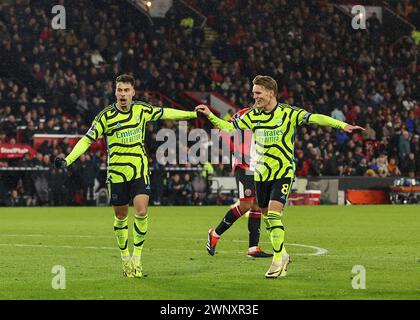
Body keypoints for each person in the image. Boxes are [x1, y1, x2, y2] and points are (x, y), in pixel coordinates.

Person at [196, 75, 364, 278]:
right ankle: (282, 253)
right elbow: (229, 128)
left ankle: (277, 261)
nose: (254, 96)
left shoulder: (287, 113)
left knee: (274, 215)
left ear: (270, 93)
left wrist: (341, 125)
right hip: (261, 174)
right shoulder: (252, 115)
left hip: (283, 171)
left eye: (258, 93)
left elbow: (314, 117)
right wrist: (210, 116)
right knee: (267, 217)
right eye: (253, 93)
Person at [54, 74, 197, 278]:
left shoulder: (141, 110)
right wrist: (68, 159)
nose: (122, 94)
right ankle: (125, 258)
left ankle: (137, 259)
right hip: (117, 173)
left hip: (139, 170)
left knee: (141, 211)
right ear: (115, 92)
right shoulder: (105, 117)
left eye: (126, 90)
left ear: (133, 93)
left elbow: (166, 113)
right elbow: (86, 140)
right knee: (121, 216)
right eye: (119, 90)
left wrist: (192, 114)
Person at [207, 106, 273, 258]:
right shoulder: (244, 114)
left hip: (258, 166)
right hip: (244, 165)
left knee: (257, 204)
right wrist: (237, 151)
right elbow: (223, 131)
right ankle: (215, 234)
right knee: (245, 205)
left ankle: (253, 248)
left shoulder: (270, 116)